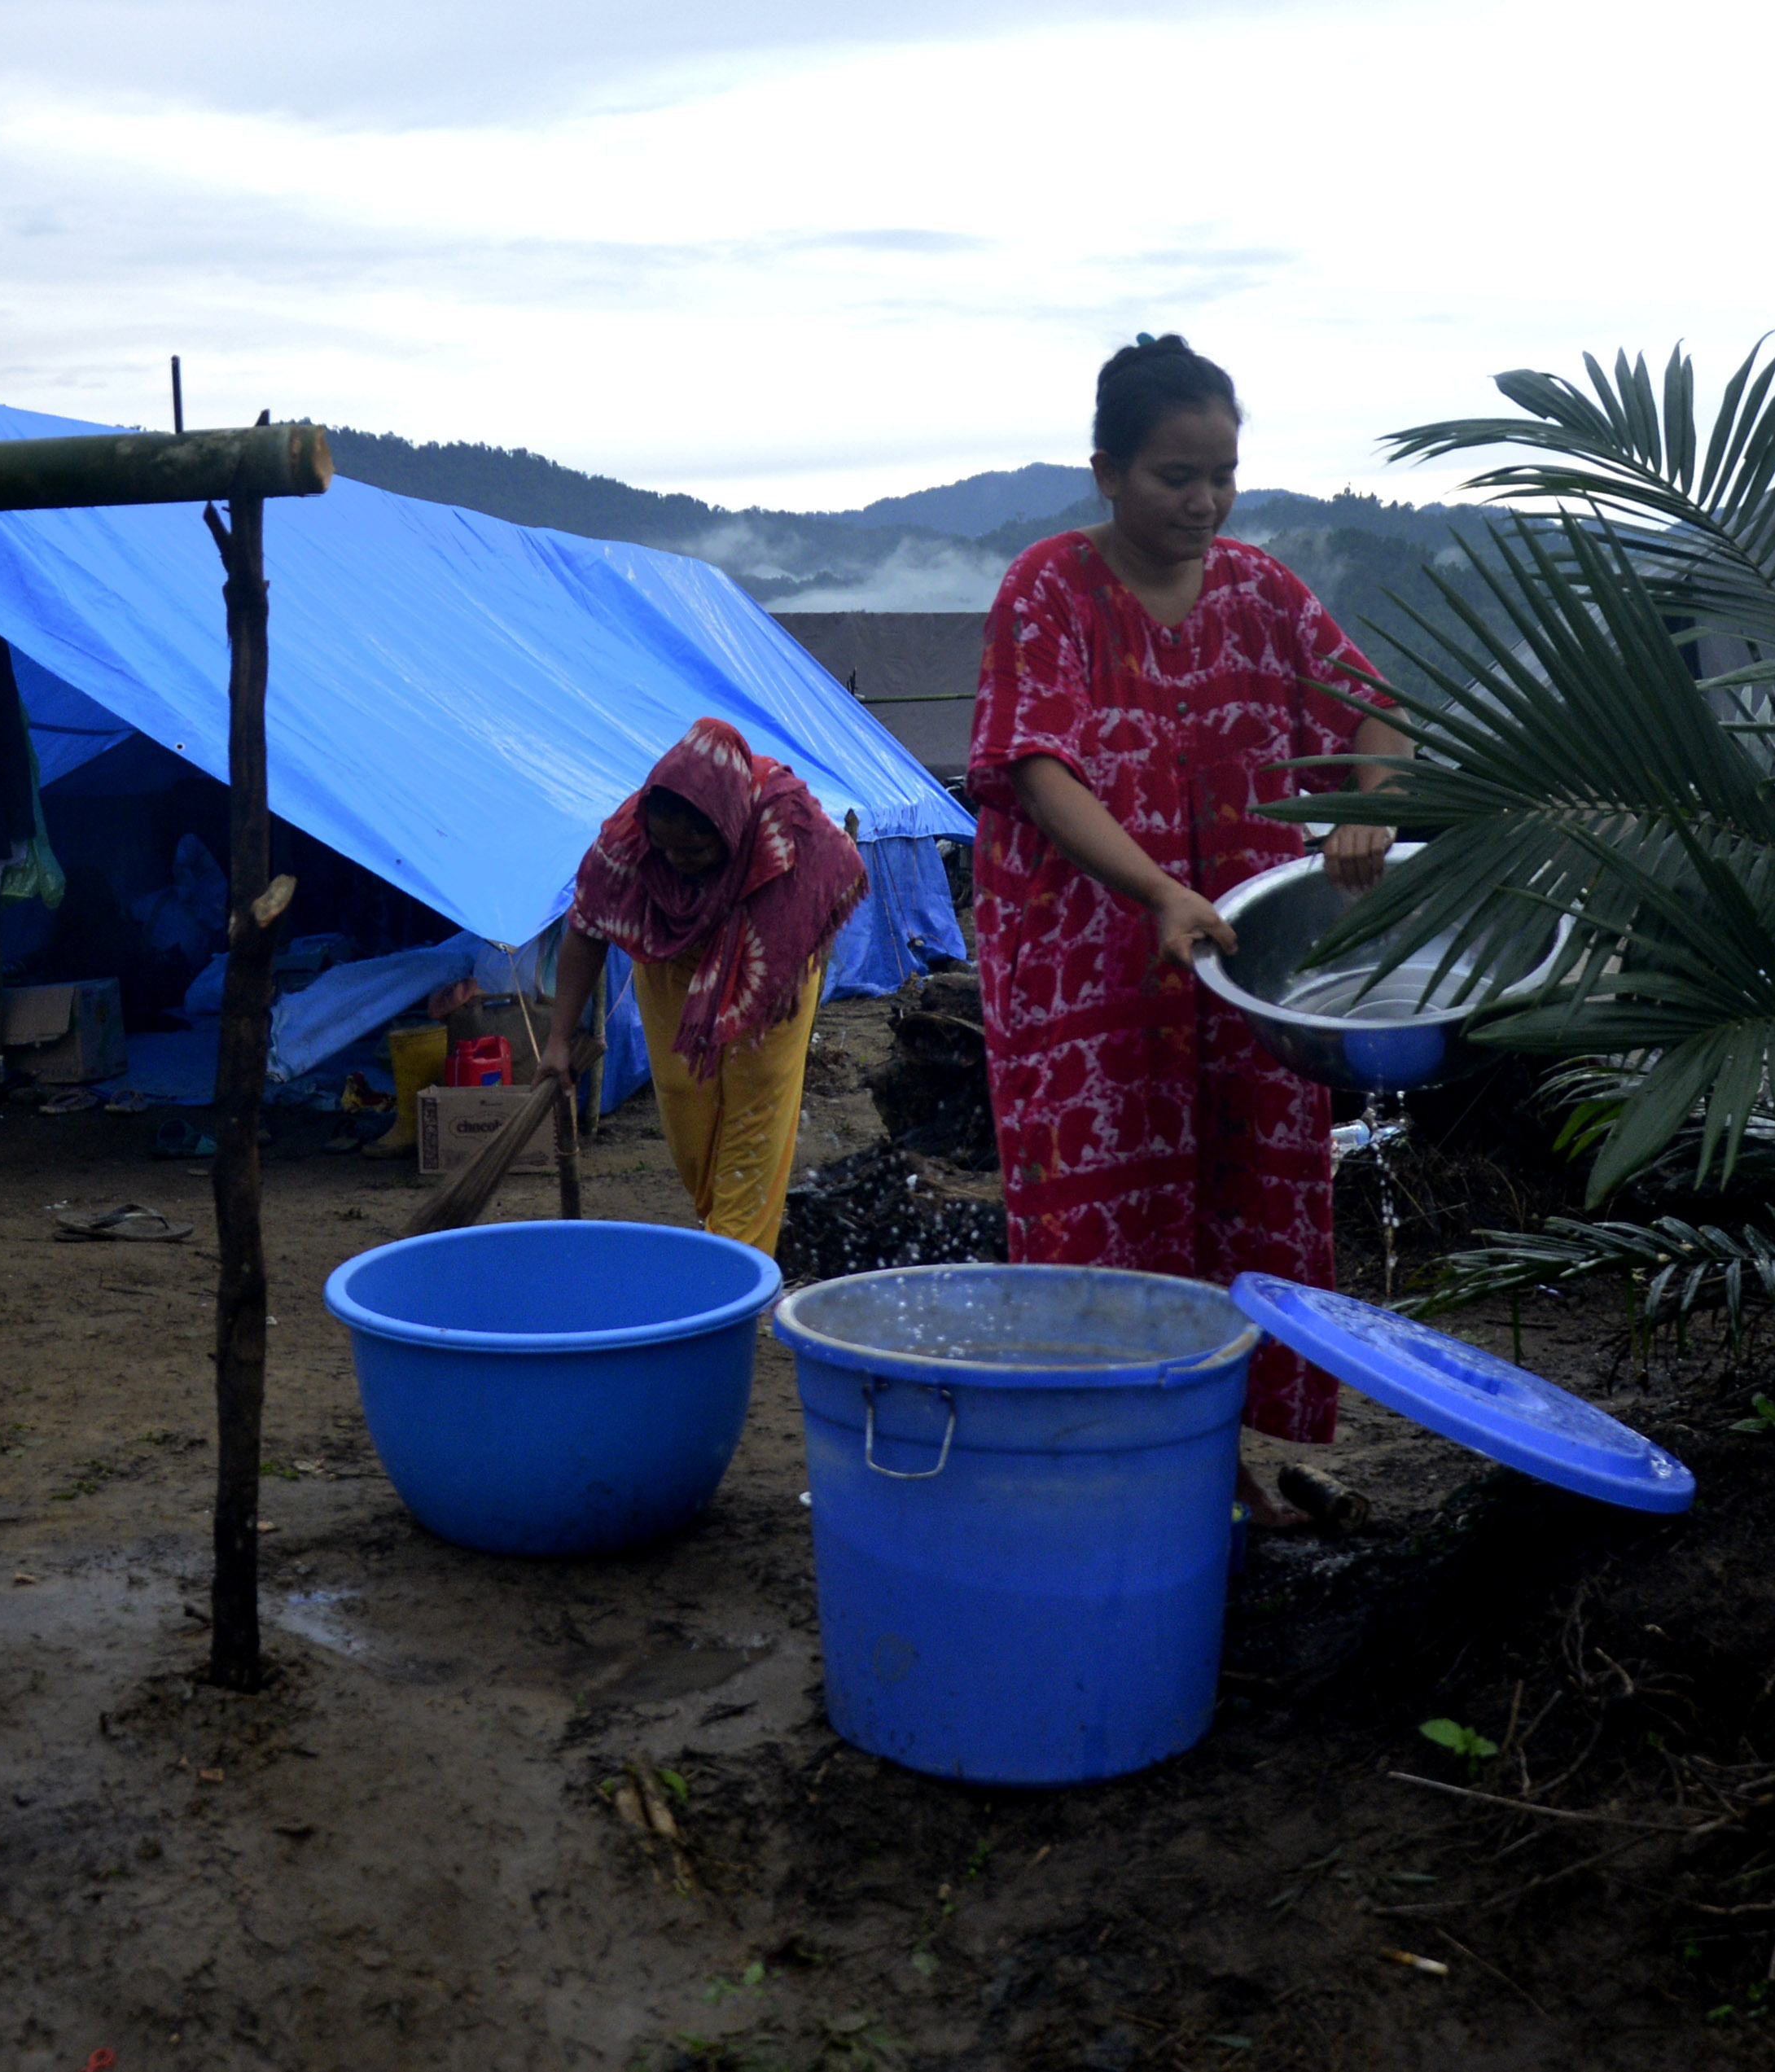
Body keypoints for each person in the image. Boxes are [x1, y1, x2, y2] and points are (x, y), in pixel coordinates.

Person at [970, 334, 1411, 1526]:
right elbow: (1035, 768)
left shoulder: (1265, 596)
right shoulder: (1049, 590)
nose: (1205, 500)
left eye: (1223, 473)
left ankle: (1221, 1468)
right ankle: (1110, 1471)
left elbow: (1381, 720)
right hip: (1085, 987)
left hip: (1246, 977)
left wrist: (1361, 820)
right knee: (1100, 1220)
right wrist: (1156, 891)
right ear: (1107, 471)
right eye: (1176, 476)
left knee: (1238, 1215)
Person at [541, 717, 868, 1253]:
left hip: (771, 951)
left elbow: (826, 884)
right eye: (666, 850)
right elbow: (586, 928)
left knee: (756, 1100)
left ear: (731, 826)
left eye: (693, 851)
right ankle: (726, 1229)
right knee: (683, 1094)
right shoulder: (629, 840)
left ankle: (737, 1264)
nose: (676, 863)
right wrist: (557, 1039)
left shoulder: (784, 822)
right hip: (673, 958)